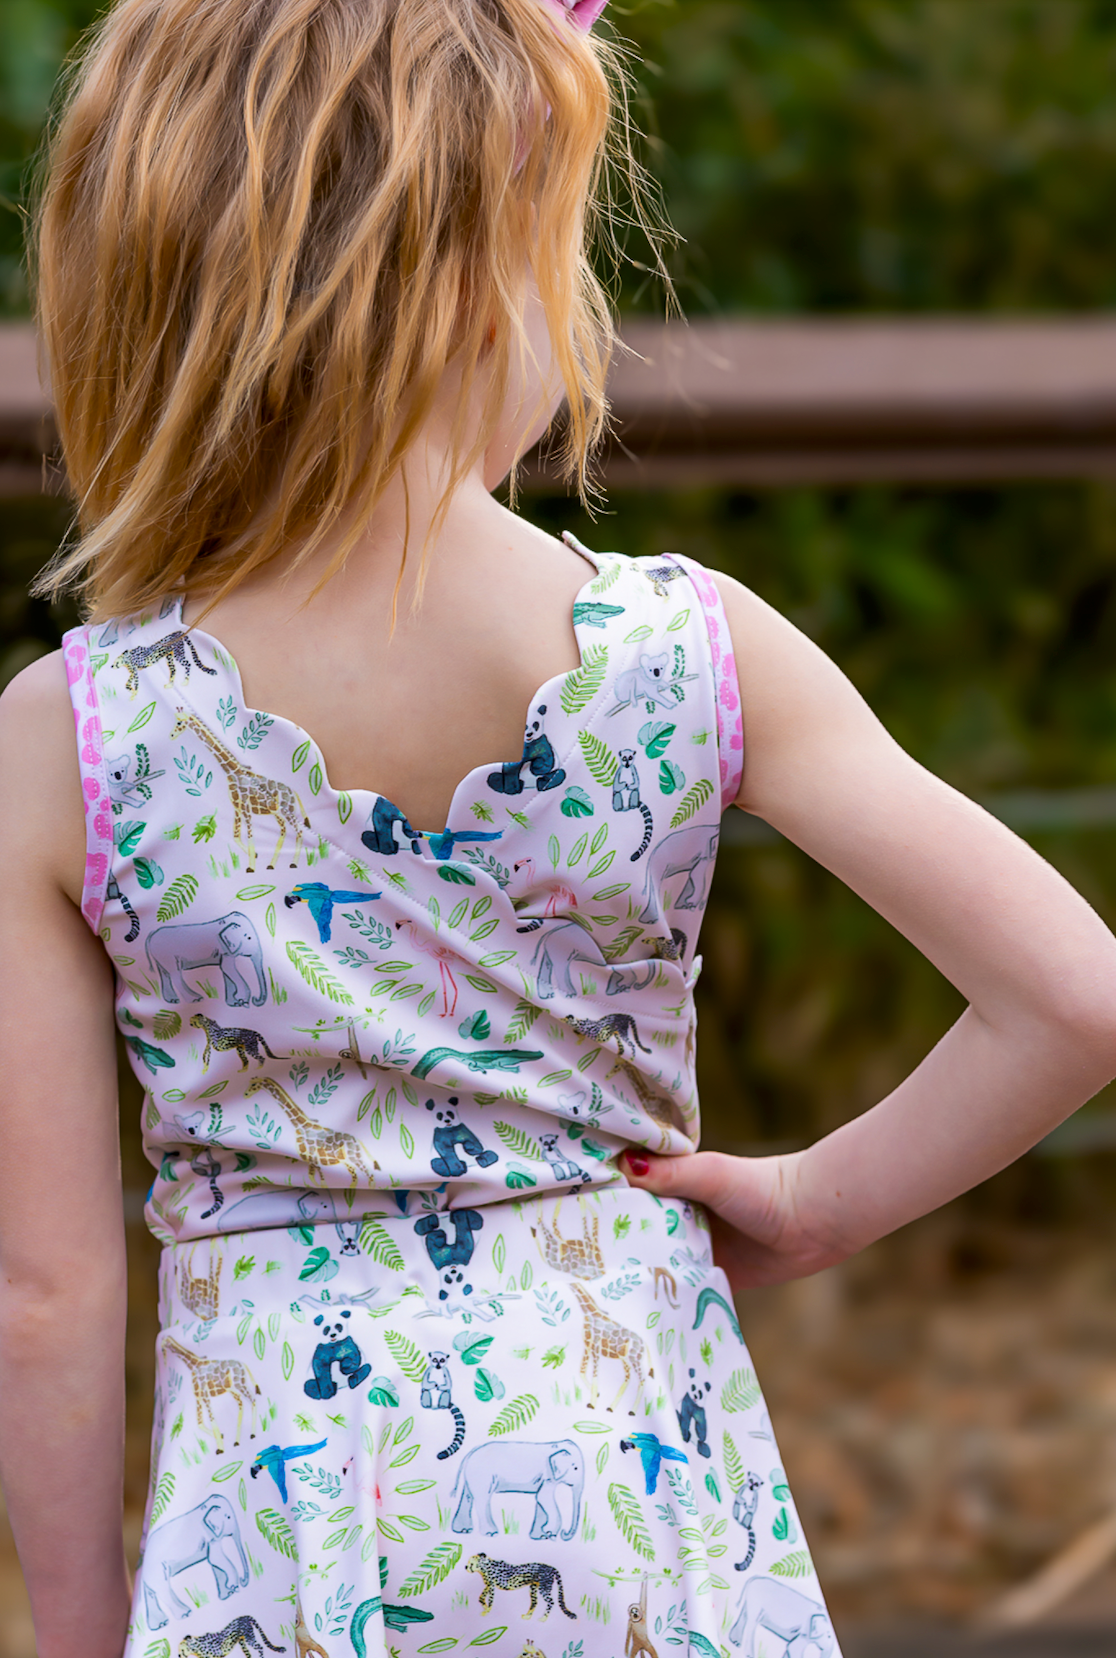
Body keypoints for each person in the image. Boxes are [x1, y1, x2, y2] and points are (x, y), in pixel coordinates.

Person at [3, 1, 1116, 1654]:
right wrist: (812, 1199)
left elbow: (48, 1300)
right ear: (464, 280)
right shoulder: (692, 650)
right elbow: (1075, 998)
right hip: (639, 1506)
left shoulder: (71, 737)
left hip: (281, 1538)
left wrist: (84, 1629)